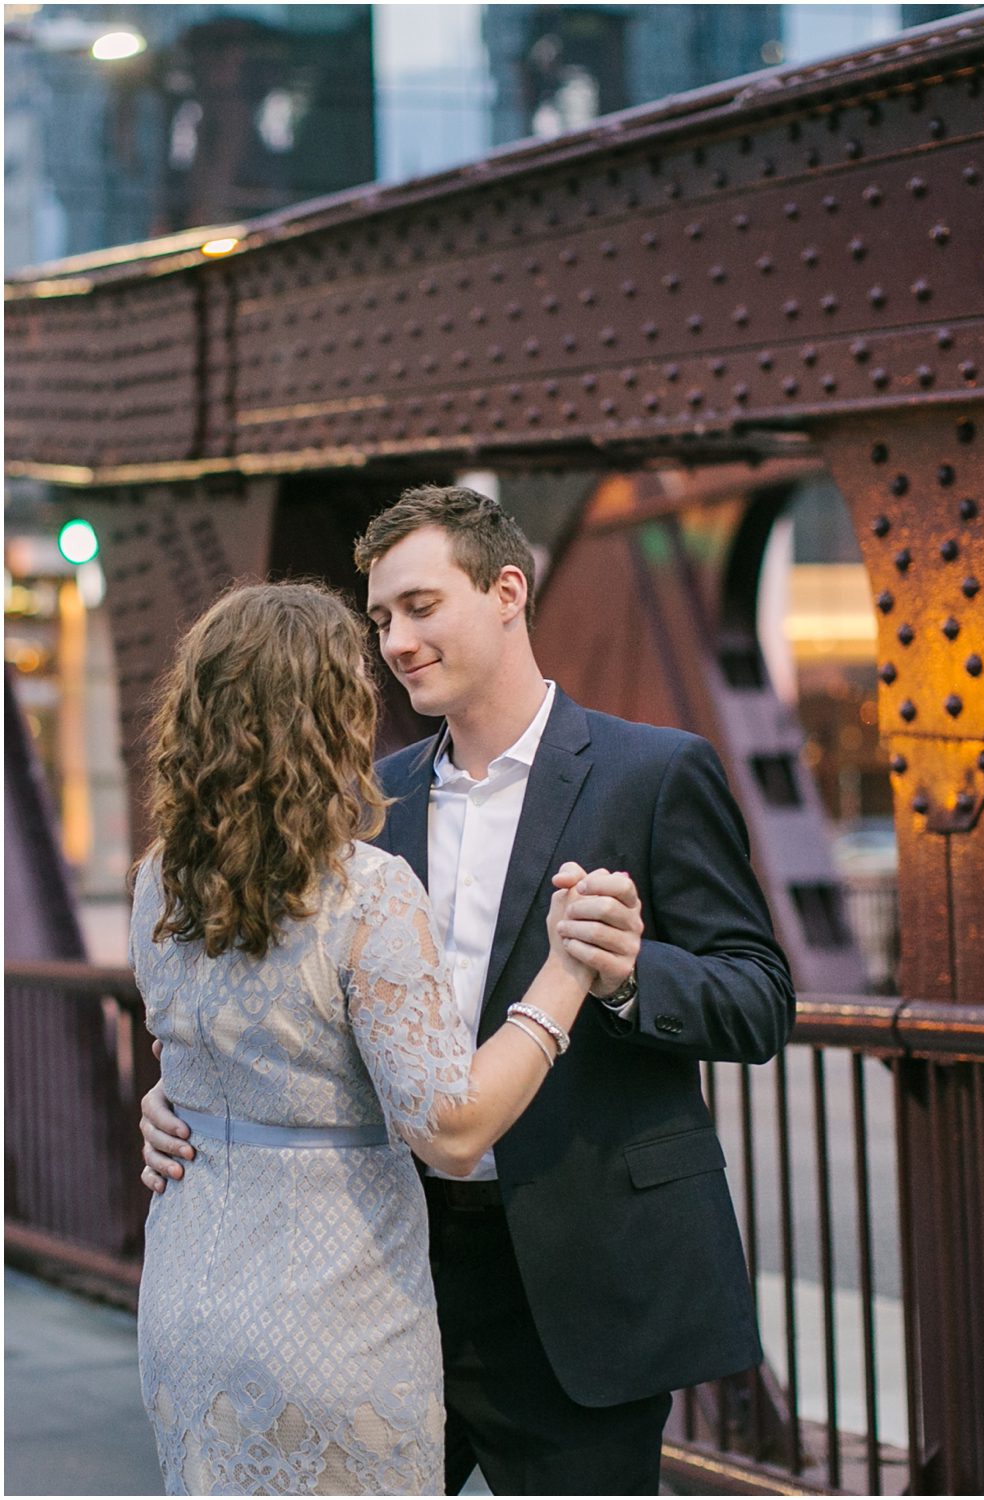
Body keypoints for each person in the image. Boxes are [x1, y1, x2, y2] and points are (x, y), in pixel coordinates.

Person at [142, 488, 793, 1494]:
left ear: (504, 591)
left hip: (582, 1286)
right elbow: (294, 1001)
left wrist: (625, 975)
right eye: (380, 620)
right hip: (377, 1280)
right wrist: (191, 1098)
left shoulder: (653, 773)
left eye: (419, 605)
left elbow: (758, 998)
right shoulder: (366, 802)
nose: (395, 641)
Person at [130, 582, 600, 1493]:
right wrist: (565, 975)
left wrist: (173, 1100)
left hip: (185, 1301)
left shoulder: (159, 884)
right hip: (332, 1311)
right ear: (333, 715)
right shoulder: (365, 891)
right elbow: (450, 1129)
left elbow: (207, 1050)